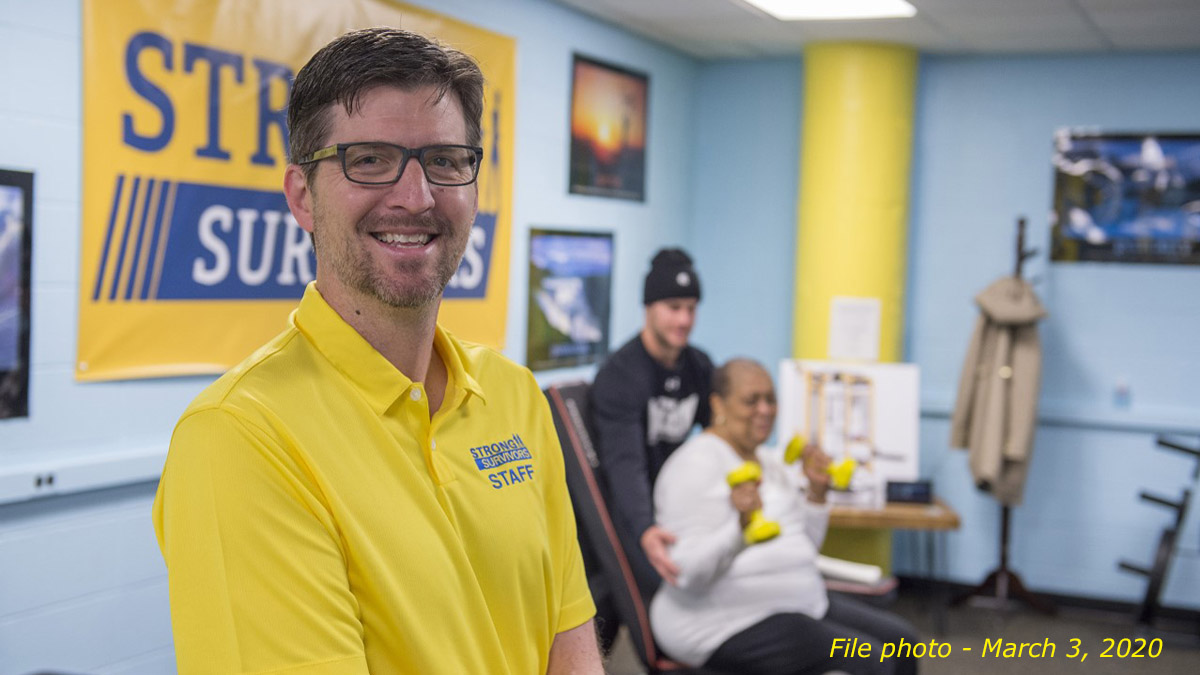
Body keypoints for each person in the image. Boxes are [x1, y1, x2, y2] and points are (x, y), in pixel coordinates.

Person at [152, 28, 601, 675]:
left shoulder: (515, 395)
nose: (415, 197)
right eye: (368, 159)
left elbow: (570, 640)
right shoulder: (239, 438)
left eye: (446, 160)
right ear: (302, 196)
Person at [650, 358, 919, 675]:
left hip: (796, 603)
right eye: (752, 400)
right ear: (717, 404)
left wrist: (817, 496)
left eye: (770, 399)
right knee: (871, 663)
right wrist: (741, 530)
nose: (765, 409)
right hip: (720, 623)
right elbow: (685, 576)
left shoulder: (768, 460)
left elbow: (804, 547)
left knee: (903, 644)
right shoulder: (694, 465)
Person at [589, 249, 713, 605]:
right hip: (635, 511)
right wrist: (645, 527)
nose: (684, 320)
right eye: (673, 308)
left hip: (679, 503)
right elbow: (625, 463)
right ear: (649, 308)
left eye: (691, 309)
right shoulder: (620, 374)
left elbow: (717, 437)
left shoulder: (700, 366)